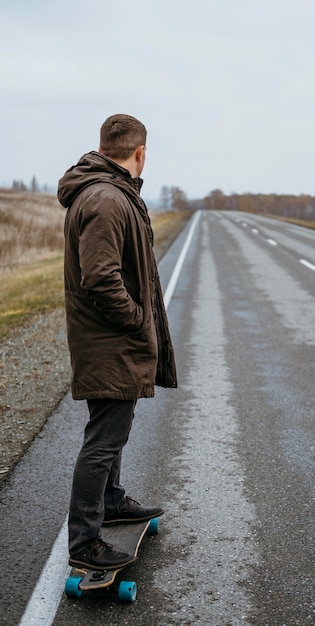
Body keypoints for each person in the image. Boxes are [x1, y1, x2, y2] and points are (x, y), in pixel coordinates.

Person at [57, 114, 177, 570]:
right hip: (109, 339)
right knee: (104, 439)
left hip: (110, 339)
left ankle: (110, 501)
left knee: (114, 430)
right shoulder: (107, 199)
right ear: (140, 152)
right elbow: (101, 278)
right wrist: (136, 319)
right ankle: (85, 543)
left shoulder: (109, 192)